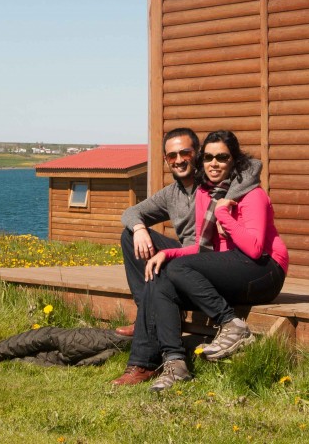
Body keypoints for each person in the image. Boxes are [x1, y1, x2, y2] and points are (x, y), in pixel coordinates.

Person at [110, 127, 261, 386]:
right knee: (129, 235)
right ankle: (145, 312)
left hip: (212, 260)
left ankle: (145, 362)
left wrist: (227, 202)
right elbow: (131, 212)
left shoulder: (215, 180)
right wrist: (138, 229)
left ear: (197, 154)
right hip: (185, 256)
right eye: (171, 156)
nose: (178, 160)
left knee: (166, 267)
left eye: (185, 153)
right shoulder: (172, 193)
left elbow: (251, 167)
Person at [140, 130, 288, 392]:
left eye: (222, 157)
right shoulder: (206, 195)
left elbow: (254, 249)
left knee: (179, 268)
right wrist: (167, 253)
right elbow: (202, 249)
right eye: (208, 157)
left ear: (234, 160)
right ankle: (175, 364)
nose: (214, 163)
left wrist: (225, 217)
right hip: (232, 271)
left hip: (266, 272)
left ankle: (231, 324)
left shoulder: (252, 195)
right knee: (163, 279)